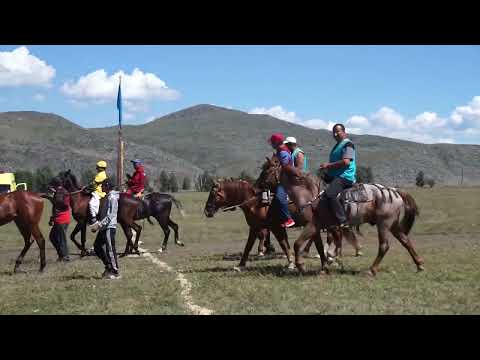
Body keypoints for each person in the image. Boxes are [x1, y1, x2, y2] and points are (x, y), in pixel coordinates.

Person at [319, 123, 356, 228]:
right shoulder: (337, 145)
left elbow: (346, 162)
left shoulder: (348, 144)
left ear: (344, 132)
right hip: (336, 175)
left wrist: (328, 165)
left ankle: (343, 220)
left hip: (345, 176)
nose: (335, 134)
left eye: (337, 131)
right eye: (333, 132)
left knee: (330, 194)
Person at [90, 179, 121, 280]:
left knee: (110, 250)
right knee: (97, 246)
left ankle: (115, 272)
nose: (102, 187)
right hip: (104, 227)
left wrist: (99, 225)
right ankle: (108, 266)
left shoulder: (112, 197)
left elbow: (111, 215)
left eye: (103, 186)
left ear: (107, 186)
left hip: (108, 227)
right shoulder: (108, 196)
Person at [268, 133, 299, 228]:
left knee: (280, 196)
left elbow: (284, 167)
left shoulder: (283, 152)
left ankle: (288, 219)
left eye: (272, 142)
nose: (271, 144)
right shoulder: (280, 151)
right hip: (283, 178)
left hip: (287, 179)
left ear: (277, 142)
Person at [48, 182, 71, 262]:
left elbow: (58, 204)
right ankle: (61, 254)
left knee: (61, 238)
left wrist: (49, 197)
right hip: (59, 219)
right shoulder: (59, 192)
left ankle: (65, 256)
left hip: (62, 219)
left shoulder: (60, 192)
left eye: (51, 187)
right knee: (53, 237)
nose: (50, 189)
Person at [88, 160, 108, 227]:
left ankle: (94, 219)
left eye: (97, 167)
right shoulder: (100, 174)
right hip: (96, 190)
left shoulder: (101, 175)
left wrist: (88, 186)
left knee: (91, 203)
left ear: (101, 168)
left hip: (98, 192)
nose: (96, 168)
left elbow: (94, 184)